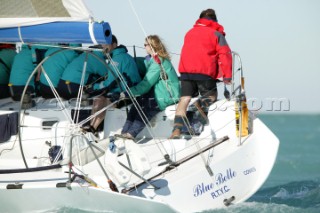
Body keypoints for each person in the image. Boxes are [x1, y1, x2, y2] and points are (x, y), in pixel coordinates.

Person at [169, 8, 232, 139]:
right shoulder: (216, 34)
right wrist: (227, 76)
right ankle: (200, 106)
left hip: (185, 71)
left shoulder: (190, 32)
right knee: (211, 96)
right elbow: (225, 55)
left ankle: (176, 130)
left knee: (184, 99)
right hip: (204, 71)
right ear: (214, 20)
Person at [118, 35, 180, 140]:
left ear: (152, 46)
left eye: (145, 45)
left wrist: (128, 92)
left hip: (167, 95)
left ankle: (130, 135)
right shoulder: (152, 60)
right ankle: (124, 132)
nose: (144, 47)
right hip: (158, 92)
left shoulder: (158, 62)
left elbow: (146, 84)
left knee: (147, 107)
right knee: (137, 104)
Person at [83, 35, 141, 133]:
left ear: (114, 45)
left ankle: (92, 128)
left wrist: (93, 87)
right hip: (125, 89)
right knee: (99, 99)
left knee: (101, 100)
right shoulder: (120, 56)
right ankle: (91, 127)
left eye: (106, 44)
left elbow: (110, 82)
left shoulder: (117, 59)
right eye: (102, 44)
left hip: (128, 93)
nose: (103, 47)